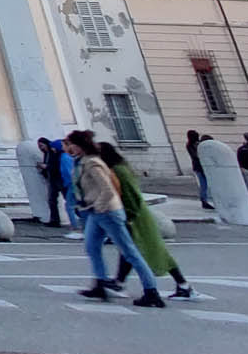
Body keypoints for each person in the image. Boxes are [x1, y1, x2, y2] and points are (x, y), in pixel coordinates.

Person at [64, 129, 164, 307]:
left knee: (129, 252)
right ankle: (100, 283)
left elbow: (108, 189)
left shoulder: (93, 163)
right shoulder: (82, 162)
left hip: (107, 212)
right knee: (91, 246)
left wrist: (98, 207)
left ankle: (151, 291)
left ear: (79, 145)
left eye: (71, 143)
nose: (69, 147)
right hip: (96, 212)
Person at [97, 140, 191, 299]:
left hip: (136, 217)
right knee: (128, 250)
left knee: (152, 251)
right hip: (134, 215)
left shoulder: (118, 170)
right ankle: (119, 283)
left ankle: (183, 285)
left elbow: (131, 195)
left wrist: (129, 216)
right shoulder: (117, 168)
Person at [38, 137, 70, 228]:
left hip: (59, 179)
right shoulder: (46, 154)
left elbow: (56, 166)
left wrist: (46, 167)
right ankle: (54, 220)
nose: (41, 148)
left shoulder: (56, 154)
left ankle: (77, 218)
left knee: (68, 200)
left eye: (41, 145)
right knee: (52, 200)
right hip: (52, 179)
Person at [185, 130, 211, 209]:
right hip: (199, 166)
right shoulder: (193, 145)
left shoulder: (191, 144)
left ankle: (205, 200)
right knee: (204, 184)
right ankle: (204, 200)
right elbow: (196, 156)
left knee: (204, 184)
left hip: (198, 166)